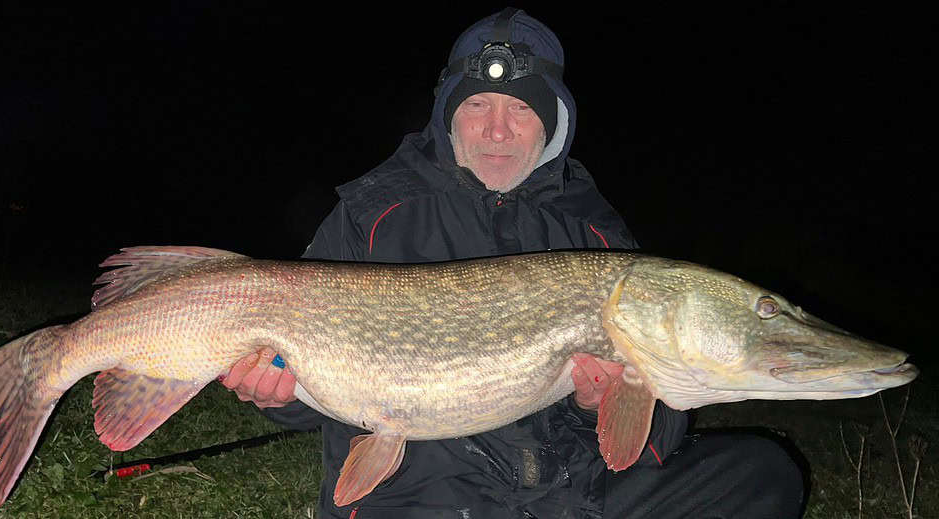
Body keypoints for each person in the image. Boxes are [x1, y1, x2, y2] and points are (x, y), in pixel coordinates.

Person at [222, 9, 805, 518]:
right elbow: (301, 399)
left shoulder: (594, 233)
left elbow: (651, 440)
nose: (496, 129)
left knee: (761, 474)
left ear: (551, 124)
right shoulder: (374, 214)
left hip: (568, 497)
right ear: (448, 113)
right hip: (421, 498)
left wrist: (593, 403)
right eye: (476, 103)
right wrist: (278, 395)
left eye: (521, 110)